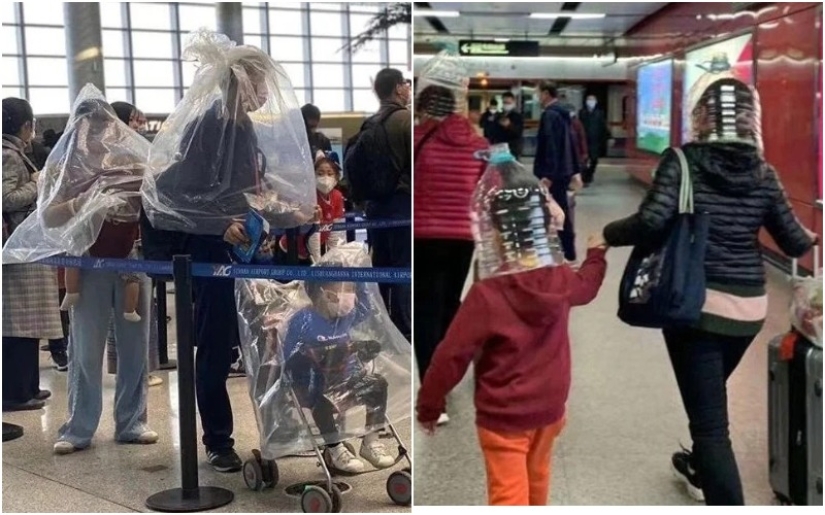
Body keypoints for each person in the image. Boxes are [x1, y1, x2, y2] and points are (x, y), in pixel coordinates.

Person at [600, 78, 818, 505]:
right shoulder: (764, 172)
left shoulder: (682, 162)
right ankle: (699, 467)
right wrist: (809, 236)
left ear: (701, 117)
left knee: (711, 427)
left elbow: (651, 220)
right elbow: (793, 242)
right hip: (748, 311)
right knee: (709, 398)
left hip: (693, 306)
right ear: (751, 121)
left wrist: (607, 234)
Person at [142, 34, 315, 472]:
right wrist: (219, 224)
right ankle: (218, 440)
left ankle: (280, 431)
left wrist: (279, 207)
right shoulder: (210, 125)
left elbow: (244, 190)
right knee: (216, 346)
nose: (264, 91)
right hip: (213, 253)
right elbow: (172, 192)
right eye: (259, 81)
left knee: (266, 340)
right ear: (239, 80)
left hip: (249, 251)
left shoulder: (244, 128)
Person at [417, 154, 608, 505]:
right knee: (538, 479)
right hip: (551, 407)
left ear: (495, 233)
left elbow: (450, 355)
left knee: (508, 494)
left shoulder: (487, 294)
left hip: (504, 415)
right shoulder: (561, 278)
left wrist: (430, 404)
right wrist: (596, 255)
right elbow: (587, 286)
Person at [41, 96, 156, 454]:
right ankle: (78, 427)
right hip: (88, 262)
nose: (98, 134)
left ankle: (132, 421)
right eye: (90, 127)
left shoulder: (133, 158)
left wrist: (136, 193)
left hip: (131, 259)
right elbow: (47, 216)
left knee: (135, 345)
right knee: (86, 348)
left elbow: (155, 202)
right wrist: (82, 203)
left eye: (104, 126)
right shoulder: (66, 166)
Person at [413, 83, 487, 426]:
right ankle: (447, 373)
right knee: (447, 307)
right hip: (463, 239)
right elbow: (486, 189)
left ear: (425, 108)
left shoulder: (417, 139)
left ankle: (433, 395)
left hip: (424, 237)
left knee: (426, 313)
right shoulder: (478, 144)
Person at [282, 262, 394, 473]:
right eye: (346, 289)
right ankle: (335, 448)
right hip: (314, 384)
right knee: (320, 401)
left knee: (378, 384)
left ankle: (371, 442)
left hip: (346, 380)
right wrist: (323, 354)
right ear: (324, 293)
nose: (351, 295)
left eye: (352, 289)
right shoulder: (303, 320)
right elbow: (290, 357)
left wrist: (358, 275)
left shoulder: (345, 316)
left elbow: (366, 308)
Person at [2, 97, 63, 411]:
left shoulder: (14, 152)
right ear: (26, 125)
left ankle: (28, 386)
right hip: (16, 249)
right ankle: (16, 392)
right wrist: (37, 184)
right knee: (18, 323)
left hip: (23, 248)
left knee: (28, 320)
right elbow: (6, 198)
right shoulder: (8, 155)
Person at [365, 68, 412, 340]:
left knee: (381, 266)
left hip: (375, 209)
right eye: (406, 84)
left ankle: (383, 329)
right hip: (402, 207)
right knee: (403, 268)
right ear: (397, 88)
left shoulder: (370, 124)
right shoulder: (405, 120)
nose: (408, 88)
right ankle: (404, 330)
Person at [533, 82, 577, 264]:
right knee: (561, 209)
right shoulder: (563, 114)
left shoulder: (550, 115)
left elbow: (551, 145)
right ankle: (567, 249)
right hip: (563, 170)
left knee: (555, 211)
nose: (537, 97)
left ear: (545, 93)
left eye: (538, 93)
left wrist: (548, 175)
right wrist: (574, 169)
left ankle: (564, 250)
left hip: (554, 173)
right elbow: (570, 143)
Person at [579, 94, 611, 185]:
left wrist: (608, 137)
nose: (590, 102)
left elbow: (603, 126)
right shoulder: (582, 112)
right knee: (583, 161)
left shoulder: (599, 113)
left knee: (594, 160)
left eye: (592, 100)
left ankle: (589, 174)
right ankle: (585, 177)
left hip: (595, 141)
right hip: (584, 140)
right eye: (589, 99)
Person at [492, 92, 524, 159]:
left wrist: (509, 125)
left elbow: (518, 132)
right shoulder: (498, 116)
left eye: (508, 103)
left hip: (512, 148)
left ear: (513, 102)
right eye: (504, 102)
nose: (506, 105)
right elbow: (493, 132)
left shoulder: (518, 116)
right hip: (499, 148)